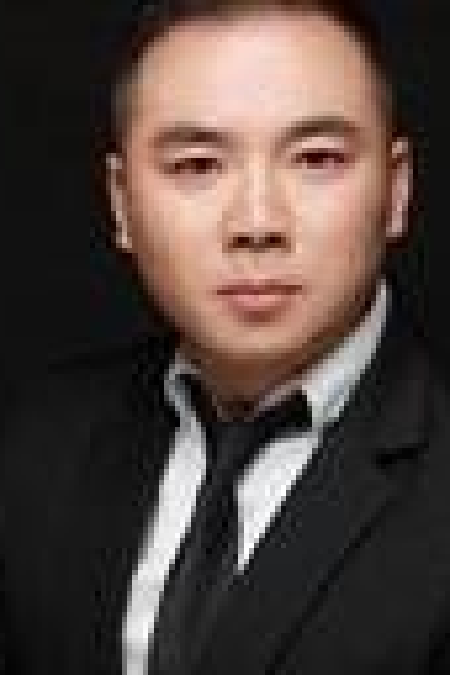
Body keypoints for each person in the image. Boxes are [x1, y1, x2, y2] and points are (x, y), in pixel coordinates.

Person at [3, 1, 449, 673]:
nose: (257, 223)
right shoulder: (39, 438)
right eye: (197, 166)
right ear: (122, 204)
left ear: (396, 191)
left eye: (317, 159)